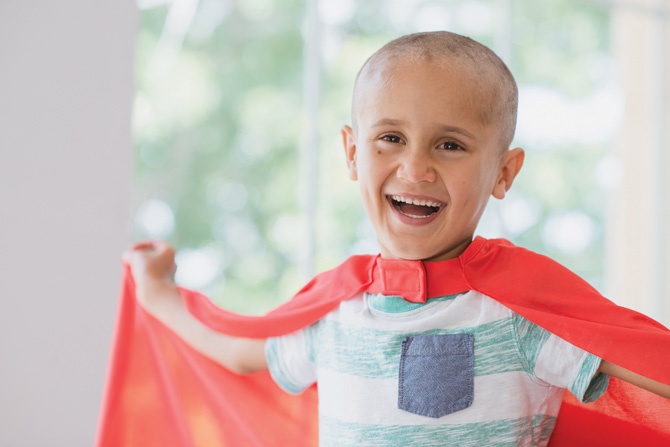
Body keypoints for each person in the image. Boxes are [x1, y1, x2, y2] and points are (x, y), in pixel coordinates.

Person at [121, 32, 670, 446]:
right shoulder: (333, 311)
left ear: (504, 173)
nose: (415, 168)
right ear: (352, 153)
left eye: (450, 145)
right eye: (390, 137)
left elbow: (651, 364)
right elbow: (239, 353)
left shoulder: (521, 314)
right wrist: (157, 294)